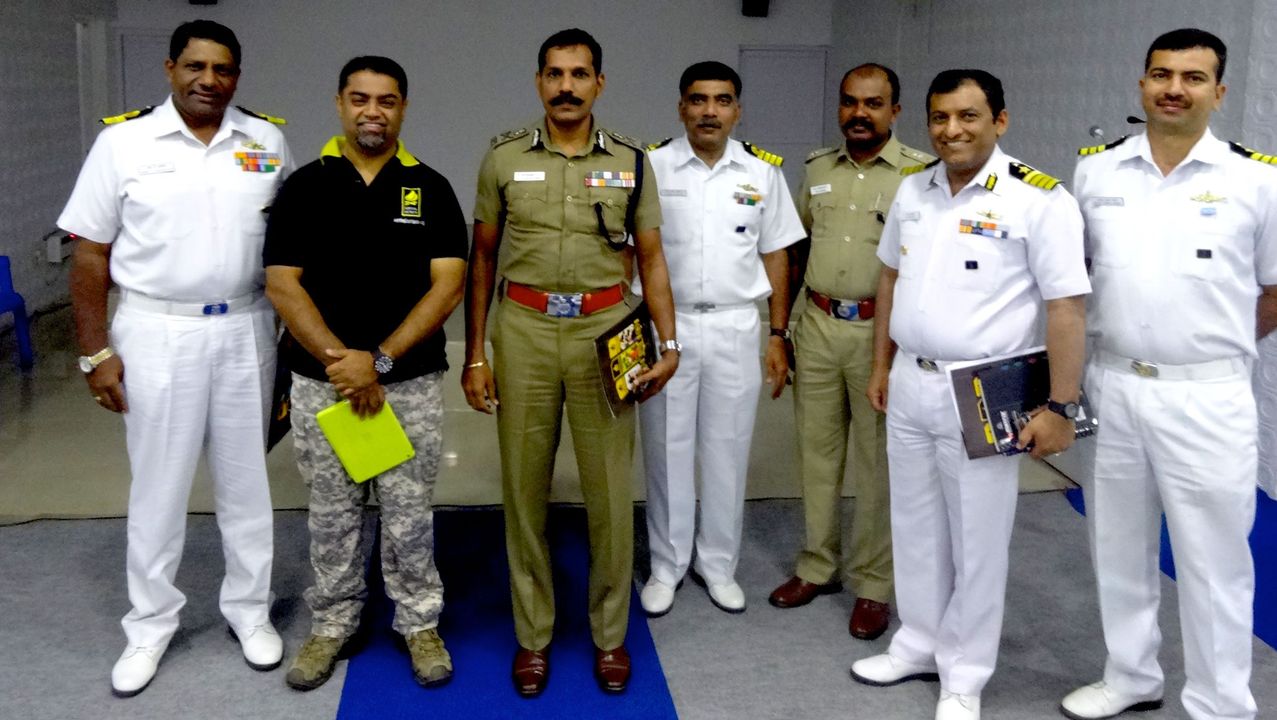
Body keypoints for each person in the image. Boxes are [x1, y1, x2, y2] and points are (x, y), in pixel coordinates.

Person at [59, 20, 292, 697]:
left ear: (237, 78)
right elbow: (90, 253)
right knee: (158, 489)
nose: (208, 80)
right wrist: (94, 350)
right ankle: (150, 624)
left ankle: (249, 611)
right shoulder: (122, 142)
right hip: (155, 332)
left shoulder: (267, 140)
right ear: (169, 69)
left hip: (246, 328)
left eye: (222, 69)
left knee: (247, 486)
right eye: (195, 66)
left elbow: (292, 242)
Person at [851, 69, 1089, 720]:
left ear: (999, 121)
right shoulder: (913, 190)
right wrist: (882, 365)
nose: (950, 130)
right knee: (915, 522)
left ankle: (965, 673)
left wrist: (1059, 406)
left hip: (984, 389)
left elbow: (1066, 308)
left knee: (977, 539)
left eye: (967, 117)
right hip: (909, 379)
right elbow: (889, 279)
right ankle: (918, 642)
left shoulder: (1038, 200)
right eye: (939, 118)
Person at [1062, 28, 1276, 720]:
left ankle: (1219, 705)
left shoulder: (1257, 180)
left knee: (1213, 564)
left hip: (1206, 395)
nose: (1173, 89)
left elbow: (1273, 290)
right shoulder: (1096, 171)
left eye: (1191, 77)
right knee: (1115, 545)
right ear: (1140, 84)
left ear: (1218, 92)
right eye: (1160, 74)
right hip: (1113, 385)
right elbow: (1076, 279)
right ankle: (1130, 676)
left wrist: (1208, 346)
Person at [462, 28, 679, 696]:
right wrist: (476, 354)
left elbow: (650, 259)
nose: (565, 86)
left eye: (578, 74)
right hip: (523, 329)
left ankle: (609, 636)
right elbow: (482, 259)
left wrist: (667, 347)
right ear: (538, 83)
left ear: (598, 84)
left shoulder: (630, 161)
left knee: (609, 494)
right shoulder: (502, 158)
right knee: (523, 492)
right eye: (553, 74)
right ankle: (533, 637)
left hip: (604, 330)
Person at [263, 56, 467, 692]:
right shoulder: (305, 186)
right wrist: (340, 363)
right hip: (324, 383)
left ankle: (419, 622)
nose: (371, 112)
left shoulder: (430, 187)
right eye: (359, 99)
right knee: (333, 511)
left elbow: (448, 285)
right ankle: (331, 624)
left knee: (408, 511)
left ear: (403, 107)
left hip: (405, 383)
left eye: (385, 100)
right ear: (339, 103)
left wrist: (376, 361)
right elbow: (282, 284)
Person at [769, 63, 934, 641]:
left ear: (895, 110)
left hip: (878, 335)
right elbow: (793, 249)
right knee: (815, 455)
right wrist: (781, 331)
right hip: (816, 324)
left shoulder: (919, 175)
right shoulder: (816, 169)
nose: (858, 114)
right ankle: (817, 566)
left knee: (876, 465)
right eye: (849, 103)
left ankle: (872, 584)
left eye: (873, 103)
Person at [638, 61, 804, 617]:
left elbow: (777, 254)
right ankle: (667, 563)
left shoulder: (762, 174)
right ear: (681, 106)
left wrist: (777, 333)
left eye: (722, 100)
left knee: (728, 449)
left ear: (738, 109)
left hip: (736, 322)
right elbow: (631, 249)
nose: (710, 111)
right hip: (670, 325)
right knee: (667, 449)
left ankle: (718, 564)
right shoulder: (652, 167)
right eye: (698, 100)